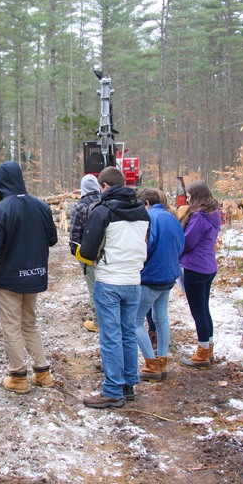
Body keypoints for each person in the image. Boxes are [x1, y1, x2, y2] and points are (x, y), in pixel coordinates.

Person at [0, 161, 57, 394]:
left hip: (10, 279)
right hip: (34, 275)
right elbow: (52, 239)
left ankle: (18, 376)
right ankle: (42, 372)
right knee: (30, 323)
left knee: (12, 327)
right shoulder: (41, 206)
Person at [78, 167, 149, 408]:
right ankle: (128, 385)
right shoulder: (142, 212)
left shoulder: (102, 212)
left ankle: (112, 390)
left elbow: (87, 251)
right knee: (128, 333)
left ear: (105, 186)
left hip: (108, 281)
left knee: (111, 337)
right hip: (134, 280)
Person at [133, 188, 184, 382]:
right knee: (160, 317)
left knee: (135, 321)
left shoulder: (149, 218)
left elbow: (146, 246)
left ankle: (151, 364)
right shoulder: (172, 217)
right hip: (169, 276)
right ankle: (162, 360)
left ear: (146, 203)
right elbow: (181, 244)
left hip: (151, 277)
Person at [178, 180, 221, 370]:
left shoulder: (199, 217)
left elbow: (188, 242)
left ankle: (202, 352)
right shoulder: (213, 213)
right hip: (208, 266)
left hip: (195, 268)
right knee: (204, 309)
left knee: (198, 312)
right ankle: (208, 347)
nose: (187, 200)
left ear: (196, 196)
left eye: (189, 197)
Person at [69, 174, 102, 333]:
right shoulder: (106, 202)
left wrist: (75, 253)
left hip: (88, 254)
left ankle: (97, 322)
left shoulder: (80, 206)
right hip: (107, 253)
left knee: (93, 287)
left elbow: (74, 233)